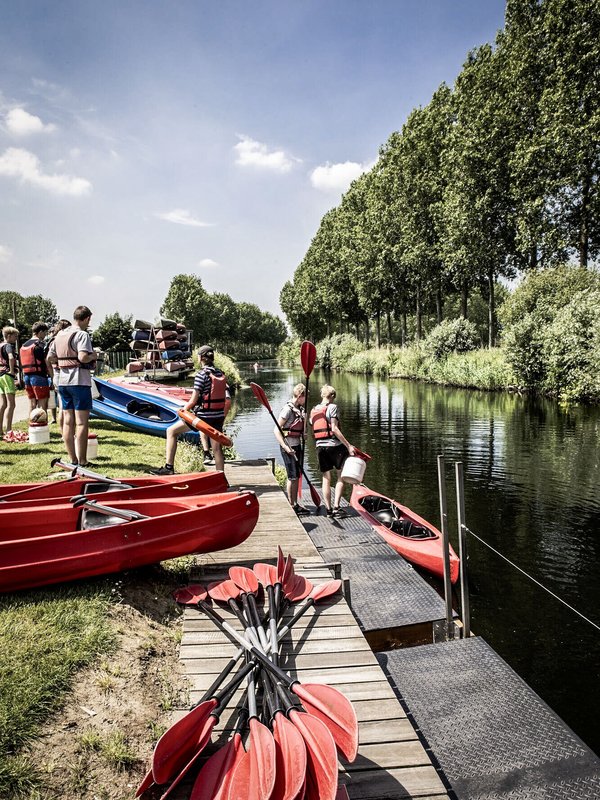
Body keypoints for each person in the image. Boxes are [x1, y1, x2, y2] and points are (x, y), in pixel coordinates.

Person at [151, 344, 229, 475]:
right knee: (217, 448)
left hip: (203, 418)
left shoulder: (201, 375)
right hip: (218, 416)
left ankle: (168, 468)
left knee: (171, 431)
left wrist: (182, 411)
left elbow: (193, 401)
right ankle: (221, 477)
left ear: (200, 358)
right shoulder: (220, 373)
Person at [47, 306, 96, 466]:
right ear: (87, 318)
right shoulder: (82, 334)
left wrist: (64, 361)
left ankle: (72, 459)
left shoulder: (59, 335)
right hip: (79, 381)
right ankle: (82, 460)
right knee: (81, 422)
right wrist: (94, 356)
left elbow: (50, 358)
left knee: (68, 422)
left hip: (63, 382)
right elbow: (83, 357)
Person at [309, 384, 356, 518]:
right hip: (335, 446)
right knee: (341, 475)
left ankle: (328, 509)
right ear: (332, 396)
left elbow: (313, 427)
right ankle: (336, 507)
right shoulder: (333, 407)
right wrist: (348, 446)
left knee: (326, 478)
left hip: (320, 447)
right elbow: (334, 428)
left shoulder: (313, 410)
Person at [274, 383, 310, 516]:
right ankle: (292, 504)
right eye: (305, 397)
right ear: (300, 396)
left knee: (297, 476)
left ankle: (295, 503)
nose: (306, 400)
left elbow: (301, 429)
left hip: (297, 445)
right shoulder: (287, 410)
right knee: (292, 476)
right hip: (288, 447)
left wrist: (304, 434)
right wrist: (285, 447)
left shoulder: (300, 410)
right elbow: (276, 430)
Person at [19, 321, 51, 415]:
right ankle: (42, 423)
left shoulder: (24, 345)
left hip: (26, 377)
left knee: (32, 404)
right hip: (39, 376)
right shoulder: (39, 345)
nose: (45, 335)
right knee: (42, 404)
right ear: (40, 332)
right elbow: (46, 361)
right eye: (45, 333)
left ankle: (31, 423)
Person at [46, 319, 71, 428]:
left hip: (57, 373)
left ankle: (64, 431)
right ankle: (65, 431)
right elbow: (49, 358)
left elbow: (48, 359)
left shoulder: (53, 341)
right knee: (64, 406)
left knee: (62, 404)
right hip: (62, 373)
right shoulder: (59, 340)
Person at [0, 326, 20, 438]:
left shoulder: (0, 345)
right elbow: (11, 358)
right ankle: (8, 430)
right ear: (8, 336)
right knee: (11, 404)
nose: (16, 338)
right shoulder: (8, 346)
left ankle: (0, 430)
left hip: (0, 375)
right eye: (15, 336)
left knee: (3, 404)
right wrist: (12, 371)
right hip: (7, 375)